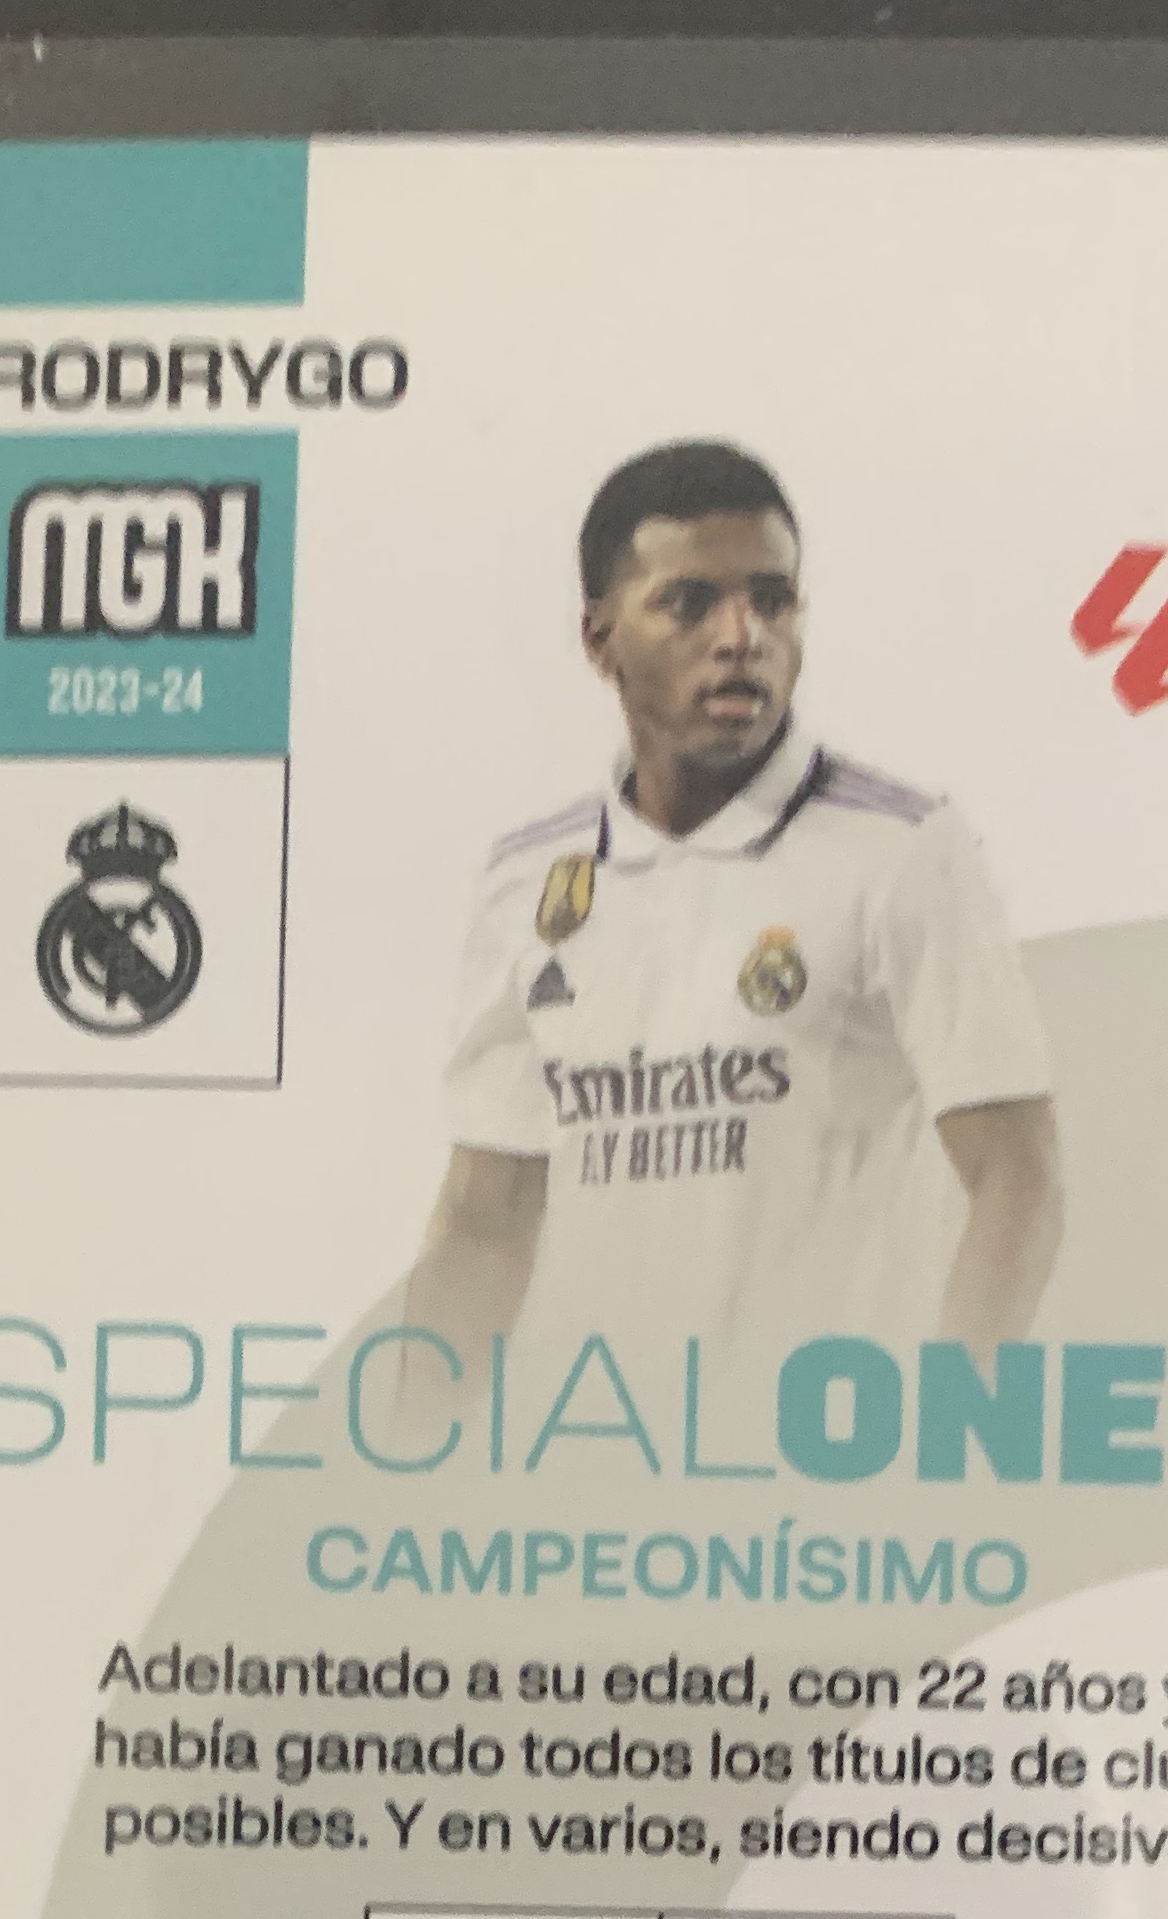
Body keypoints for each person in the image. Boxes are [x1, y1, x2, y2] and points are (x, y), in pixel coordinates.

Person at [404, 440, 1063, 1399]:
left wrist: (946, 1430)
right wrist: (413, 1449)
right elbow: (484, 1221)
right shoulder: (528, 879)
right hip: (588, 1445)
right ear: (599, 640)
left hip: (819, 1452)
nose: (741, 636)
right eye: (690, 603)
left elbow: (1017, 1181)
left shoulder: (904, 849)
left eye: (772, 600)